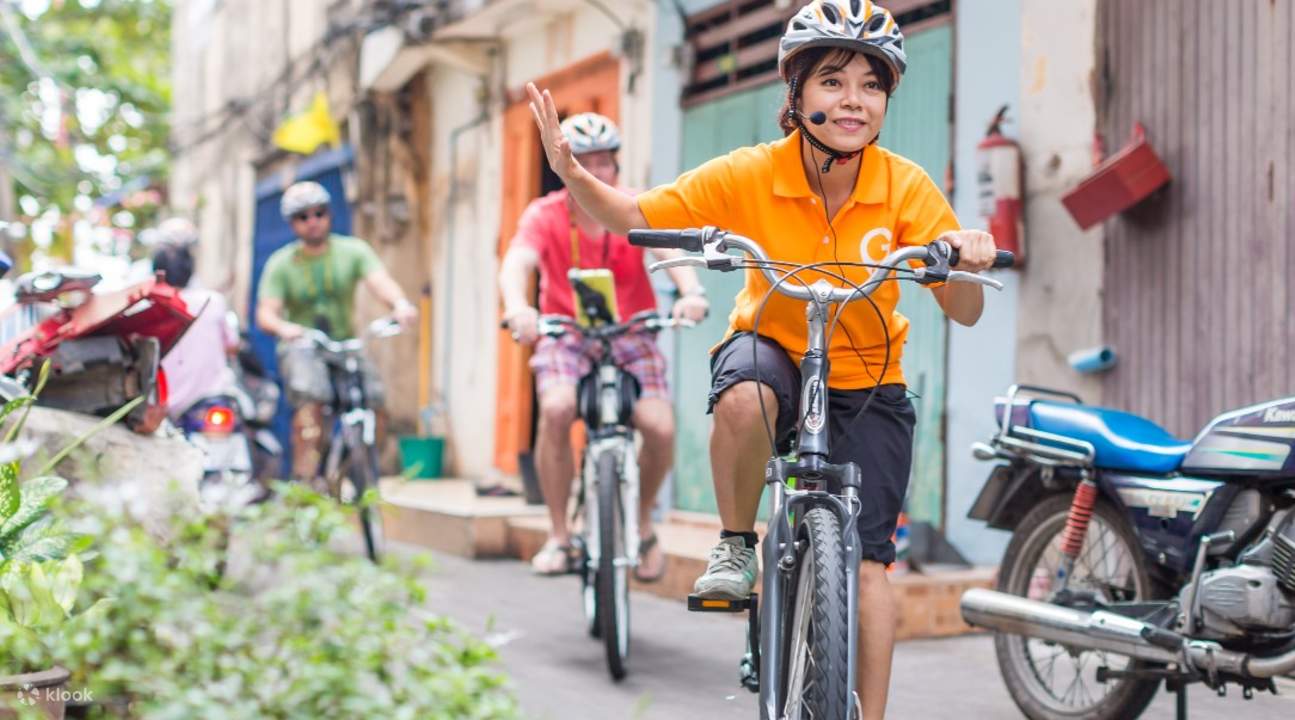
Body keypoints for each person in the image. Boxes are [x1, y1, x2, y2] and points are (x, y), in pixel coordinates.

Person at [524, 2, 998, 716]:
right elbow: (637, 218)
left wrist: (965, 258)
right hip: (772, 346)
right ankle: (738, 542)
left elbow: (964, 310)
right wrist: (574, 177)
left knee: (871, 566)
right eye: (833, 81)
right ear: (797, 92)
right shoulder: (750, 173)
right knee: (744, 395)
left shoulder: (904, 185)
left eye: (871, 85)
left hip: (868, 376)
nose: (853, 101)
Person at [499, 112, 709, 580]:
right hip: (566, 333)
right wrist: (518, 306)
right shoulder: (543, 214)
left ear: (617, 166)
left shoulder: (635, 204)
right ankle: (559, 535)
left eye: (605, 163)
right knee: (555, 409)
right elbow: (517, 262)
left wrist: (690, 292)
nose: (596, 172)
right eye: (582, 161)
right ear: (563, 164)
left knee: (659, 426)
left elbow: (670, 249)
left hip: (632, 331)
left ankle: (642, 522)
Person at [254, 181, 417, 482]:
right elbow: (266, 312)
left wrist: (400, 304)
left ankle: (357, 466)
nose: (313, 221)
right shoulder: (281, 264)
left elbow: (379, 281)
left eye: (319, 213)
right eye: (303, 216)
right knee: (310, 405)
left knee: (376, 400)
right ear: (293, 224)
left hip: (345, 344)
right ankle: (306, 482)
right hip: (304, 345)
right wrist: (283, 327)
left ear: (329, 215)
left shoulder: (352, 250)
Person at [149, 219, 239, 420]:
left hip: (163, 408)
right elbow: (232, 346)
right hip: (206, 403)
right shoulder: (212, 301)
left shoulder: (147, 303)